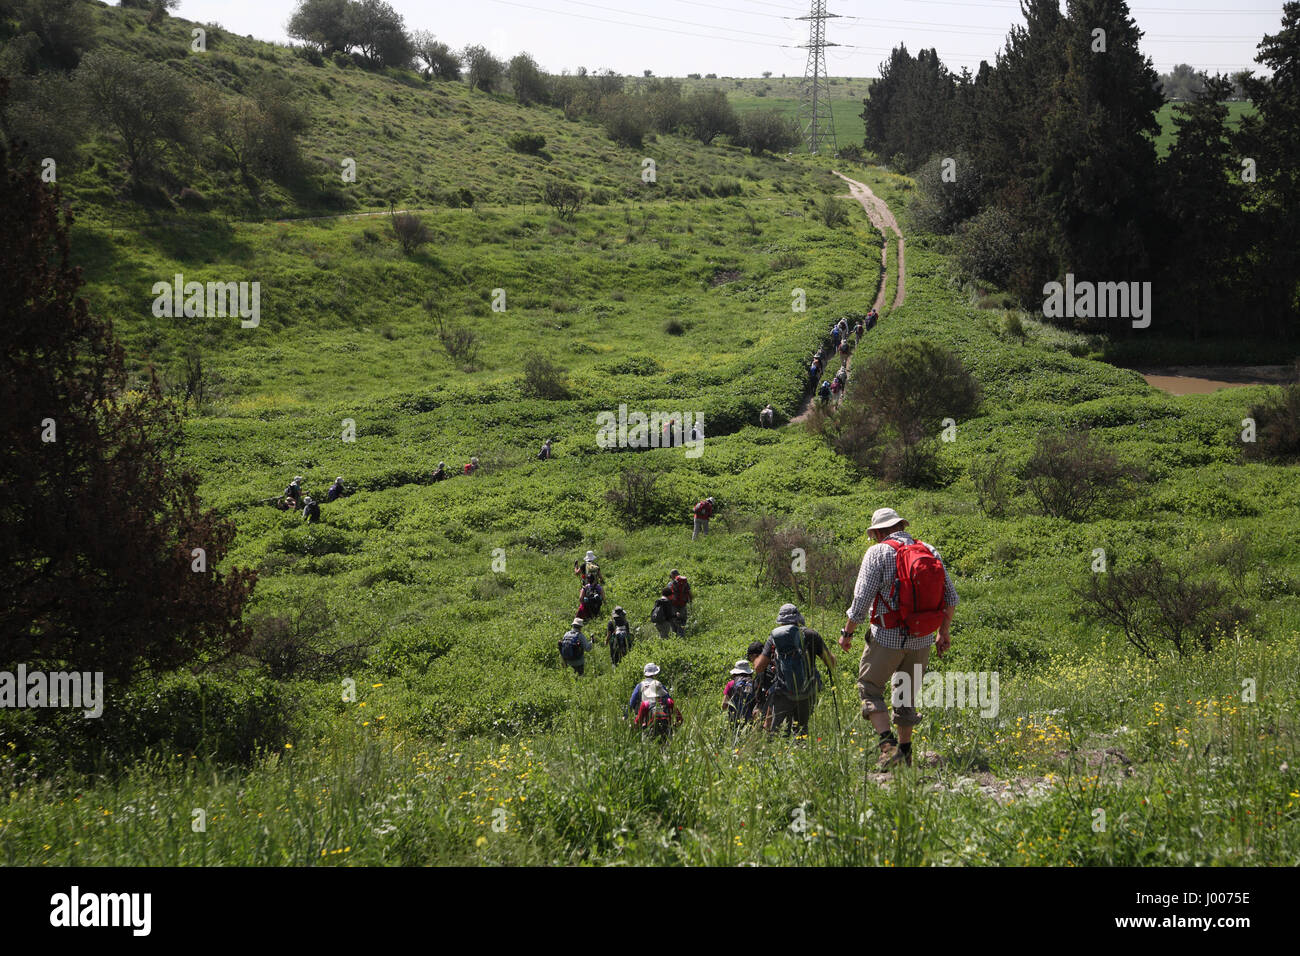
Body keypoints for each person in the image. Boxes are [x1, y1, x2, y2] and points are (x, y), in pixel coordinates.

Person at [839, 508, 959, 770]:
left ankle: (888, 745)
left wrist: (847, 633)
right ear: (901, 526)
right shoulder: (929, 549)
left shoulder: (878, 552)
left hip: (887, 637)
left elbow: (861, 600)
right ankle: (905, 753)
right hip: (922, 639)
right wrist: (943, 632)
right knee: (905, 695)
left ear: (879, 531)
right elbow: (951, 598)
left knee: (869, 687)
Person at [752, 604, 836, 737]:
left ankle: (777, 754)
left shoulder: (774, 637)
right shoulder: (811, 634)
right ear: (798, 618)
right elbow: (830, 662)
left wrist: (757, 658)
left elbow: (759, 667)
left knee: (776, 732)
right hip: (807, 691)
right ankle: (800, 751)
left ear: (780, 620)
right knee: (801, 730)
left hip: (783, 691)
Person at [628, 664, 682, 740]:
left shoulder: (642, 692)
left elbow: (632, 702)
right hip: (666, 732)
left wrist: (626, 715)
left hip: (648, 729)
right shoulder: (667, 697)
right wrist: (673, 726)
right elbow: (680, 719)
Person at [723, 660, 759, 725]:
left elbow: (724, 705)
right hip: (751, 720)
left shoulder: (731, 684)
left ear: (735, 673)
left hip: (734, 720)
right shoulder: (754, 683)